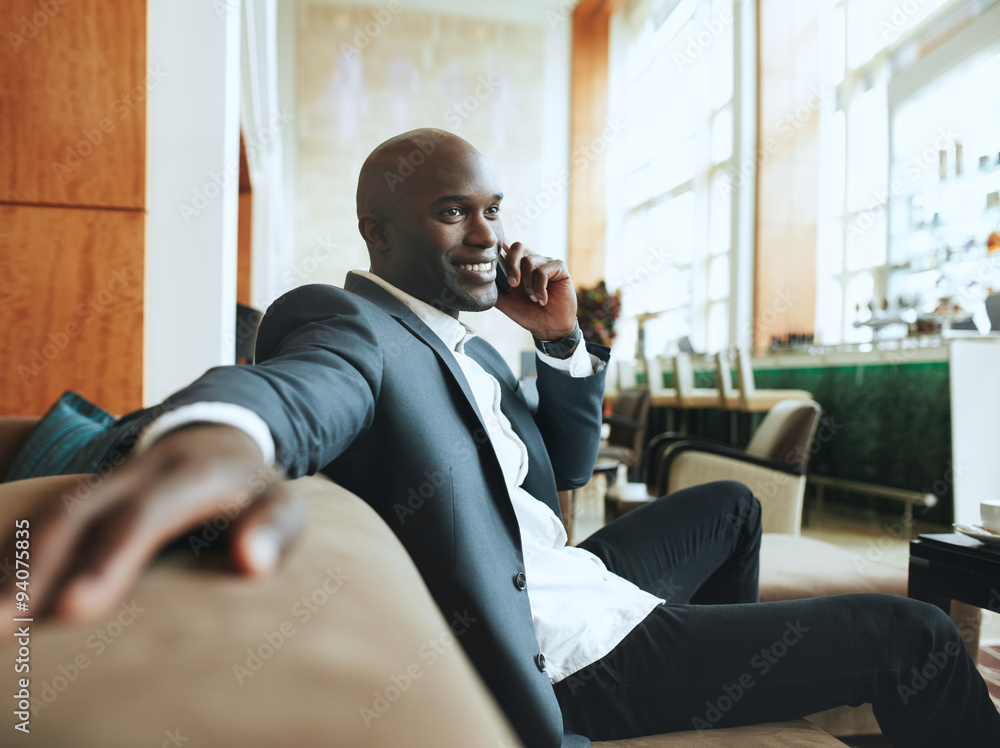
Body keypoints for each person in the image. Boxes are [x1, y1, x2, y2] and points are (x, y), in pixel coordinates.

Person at [2, 129, 998, 748]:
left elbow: (563, 468)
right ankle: (688, 682)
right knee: (910, 636)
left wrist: (559, 340)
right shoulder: (354, 322)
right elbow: (309, 385)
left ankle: (718, 685)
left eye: (490, 210)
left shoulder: (471, 348)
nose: (483, 234)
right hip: (562, 643)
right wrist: (220, 435)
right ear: (377, 234)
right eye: (450, 212)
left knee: (731, 507)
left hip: (564, 571)